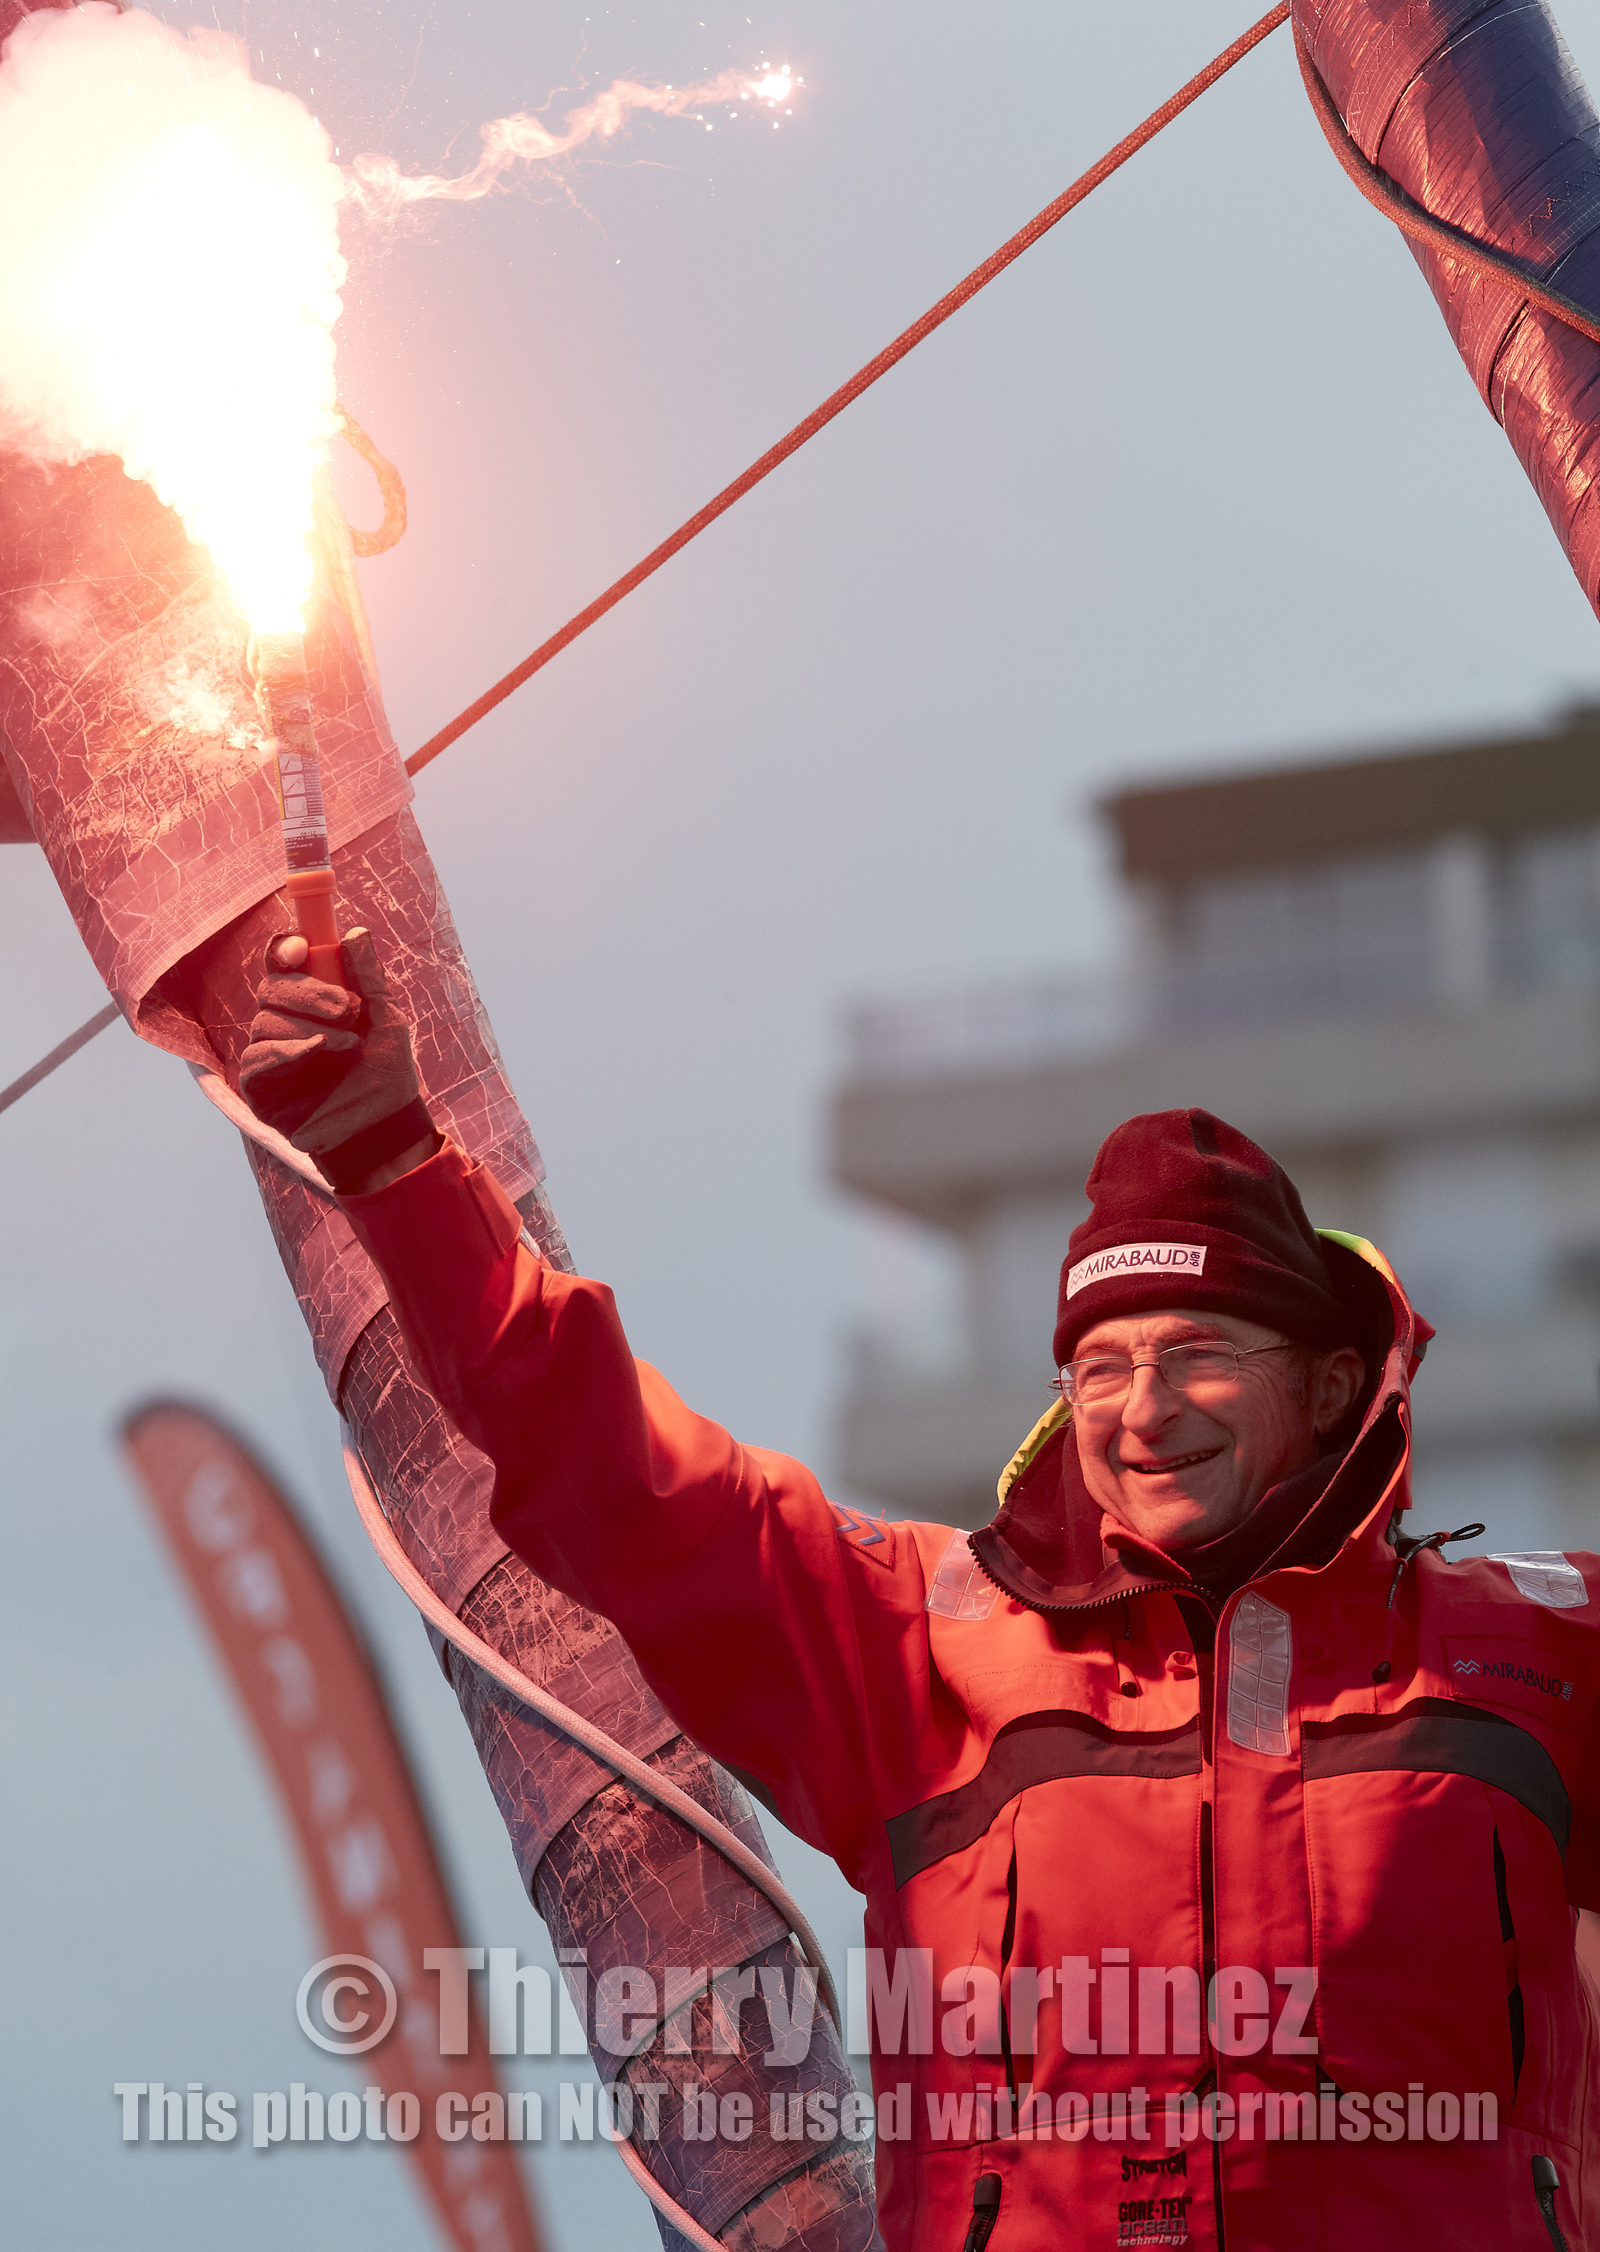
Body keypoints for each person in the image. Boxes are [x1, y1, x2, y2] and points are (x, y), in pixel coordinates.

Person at [243, 930, 1600, 2252]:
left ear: (1322, 1387)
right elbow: (599, 1454)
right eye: (1103, 1366)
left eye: (1197, 1350)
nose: (1144, 1409)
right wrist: (390, 1160)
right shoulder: (917, 1646)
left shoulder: (1536, 1649)